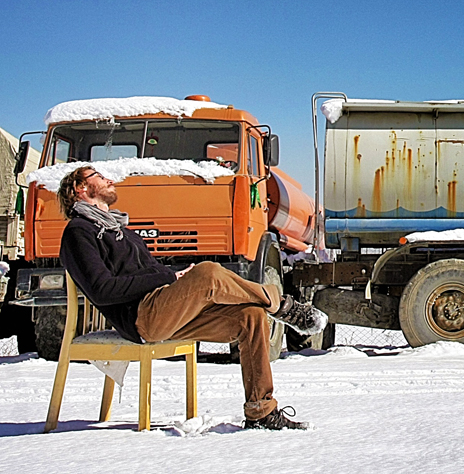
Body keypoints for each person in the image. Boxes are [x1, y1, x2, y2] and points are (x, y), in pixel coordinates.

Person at [56, 165, 326, 430]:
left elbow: (152, 272)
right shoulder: (79, 232)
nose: (109, 179)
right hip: (142, 319)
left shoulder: (120, 230)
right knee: (208, 272)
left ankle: (260, 412)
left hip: (165, 308)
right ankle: (283, 306)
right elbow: (102, 290)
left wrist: (177, 277)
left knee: (250, 317)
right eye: (99, 177)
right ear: (81, 188)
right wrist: (169, 279)